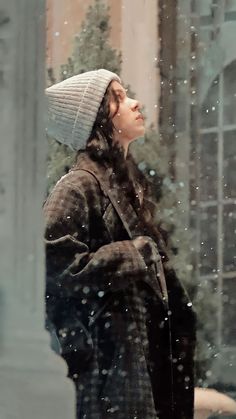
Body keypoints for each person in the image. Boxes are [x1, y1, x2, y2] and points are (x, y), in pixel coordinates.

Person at [44, 69, 196, 419]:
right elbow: (51, 264)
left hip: (142, 372)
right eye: (119, 98)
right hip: (108, 378)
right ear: (97, 120)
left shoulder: (129, 187)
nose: (135, 103)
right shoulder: (78, 186)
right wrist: (133, 254)